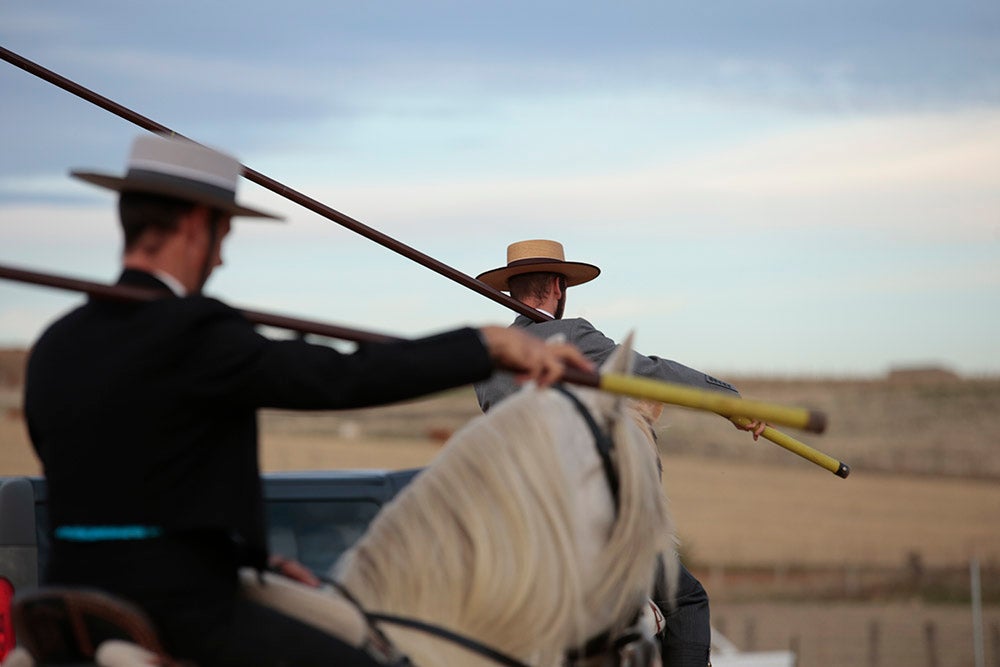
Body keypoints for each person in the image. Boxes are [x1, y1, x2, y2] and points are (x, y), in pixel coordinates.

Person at [22, 136, 593, 667]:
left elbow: (127, 488)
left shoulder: (55, 343)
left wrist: (250, 560)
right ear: (198, 225)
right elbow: (340, 377)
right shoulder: (198, 333)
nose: (220, 259)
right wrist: (484, 345)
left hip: (65, 592)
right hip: (178, 607)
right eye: (224, 236)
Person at [473, 239, 766, 667]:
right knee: (687, 602)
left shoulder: (488, 364)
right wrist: (729, 402)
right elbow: (649, 374)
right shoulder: (572, 336)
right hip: (584, 517)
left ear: (510, 291)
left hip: (519, 518)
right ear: (559, 285)